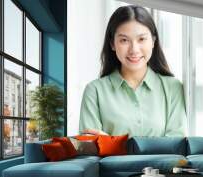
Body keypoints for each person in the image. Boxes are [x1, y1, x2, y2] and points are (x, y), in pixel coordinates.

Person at [79, 5, 187, 137]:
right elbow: (90, 150)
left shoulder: (173, 88)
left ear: (153, 41)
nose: (134, 50)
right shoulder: (94, 91)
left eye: (141, 39)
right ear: (112, 44)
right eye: (124, 40)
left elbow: (175, 148)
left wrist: (112, 144)